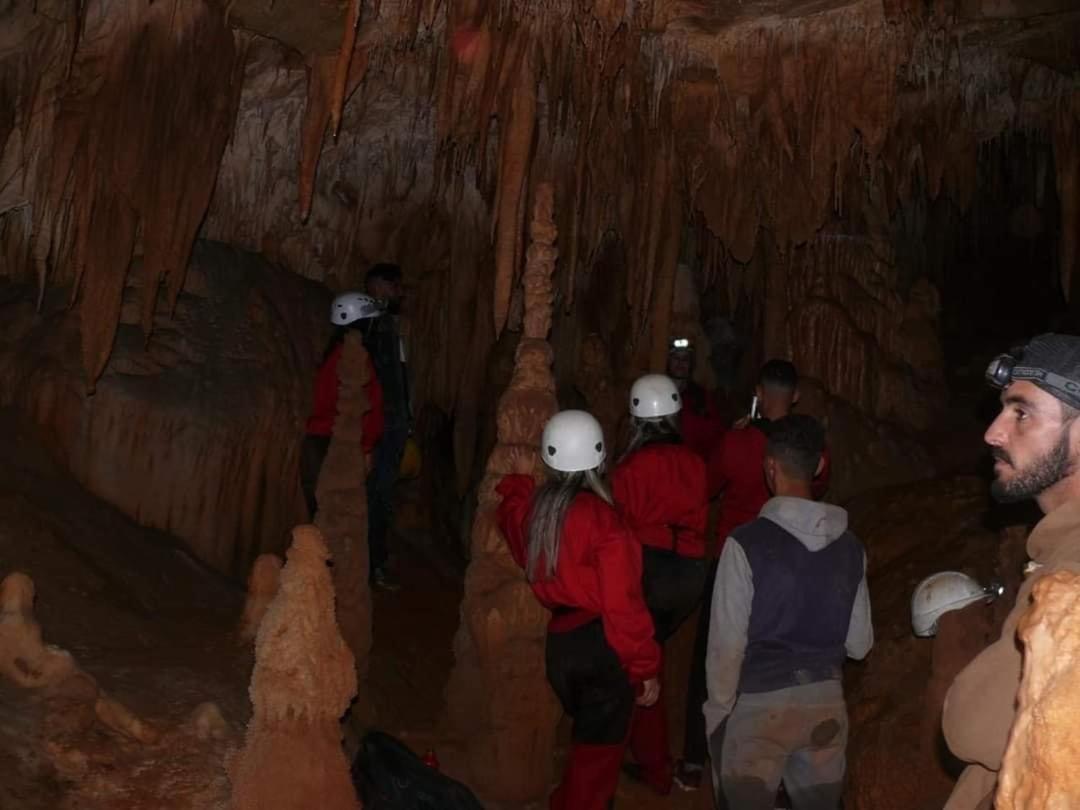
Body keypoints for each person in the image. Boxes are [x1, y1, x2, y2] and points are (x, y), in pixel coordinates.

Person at [675, 359, 831, 791]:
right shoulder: (807, 450)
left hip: (732, 559)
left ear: (760, 392)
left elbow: (707, 487)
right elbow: (818, 486)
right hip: (786, 567)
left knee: (711, 660)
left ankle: (693, 760)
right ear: (795, 395)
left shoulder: (738, 442)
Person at [704, 414, 872, 809]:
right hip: (825, 708)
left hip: (758, 710)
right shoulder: (851, 548)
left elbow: (726, 648)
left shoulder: (745, 544)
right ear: (818, 466)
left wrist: (718, 717)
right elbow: (860, 645)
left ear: (770, 467)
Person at [496, 410, 661, 810]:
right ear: (601, 459)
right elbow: (623, 607)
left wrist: (517, 483)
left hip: (561, 647)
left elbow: (512, 525)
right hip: (600, 648)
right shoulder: (605, 523)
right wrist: (645, 669)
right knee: (597, 763)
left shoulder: (537, 514)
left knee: (587, 750)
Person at [941, 334, 1080, 810]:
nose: (993, 433)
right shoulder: (1057, 549)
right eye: (1003, 410)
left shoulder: (1073, 570)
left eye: (1022, 413)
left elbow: (971, 727)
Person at [610, 374, 709, 796]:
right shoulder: (695, 463)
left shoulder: (630, 468)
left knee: (633, 666)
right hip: (690, 572)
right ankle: (653, 758)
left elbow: (617, 524)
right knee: (654, 654)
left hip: (649, 569)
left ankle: (646, 763)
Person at [301, 291, 385, 519]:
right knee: (339, 522)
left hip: (316, 443)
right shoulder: (357, 359)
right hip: (340, 446)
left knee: (322, 520)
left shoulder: (334, 354)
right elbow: (369, 407)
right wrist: (367, 448)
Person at [363, 263, 411, 591]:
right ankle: (370, 566)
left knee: (381, 495)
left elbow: (399, 380)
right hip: (379, 427)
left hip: (390, 425)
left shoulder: (388, 329)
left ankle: (374, 561)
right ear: (380, 287)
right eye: (393, 287)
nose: (398, 294)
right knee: (375, 496)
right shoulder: (371, 329)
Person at [666, 336, 729, 460]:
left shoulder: (701, 398)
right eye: (676, 358)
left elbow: (715, 435)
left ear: (691, 364)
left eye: (685, 359)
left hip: (693, 464)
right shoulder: (657, 395)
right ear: (668, 361)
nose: (680, 363)